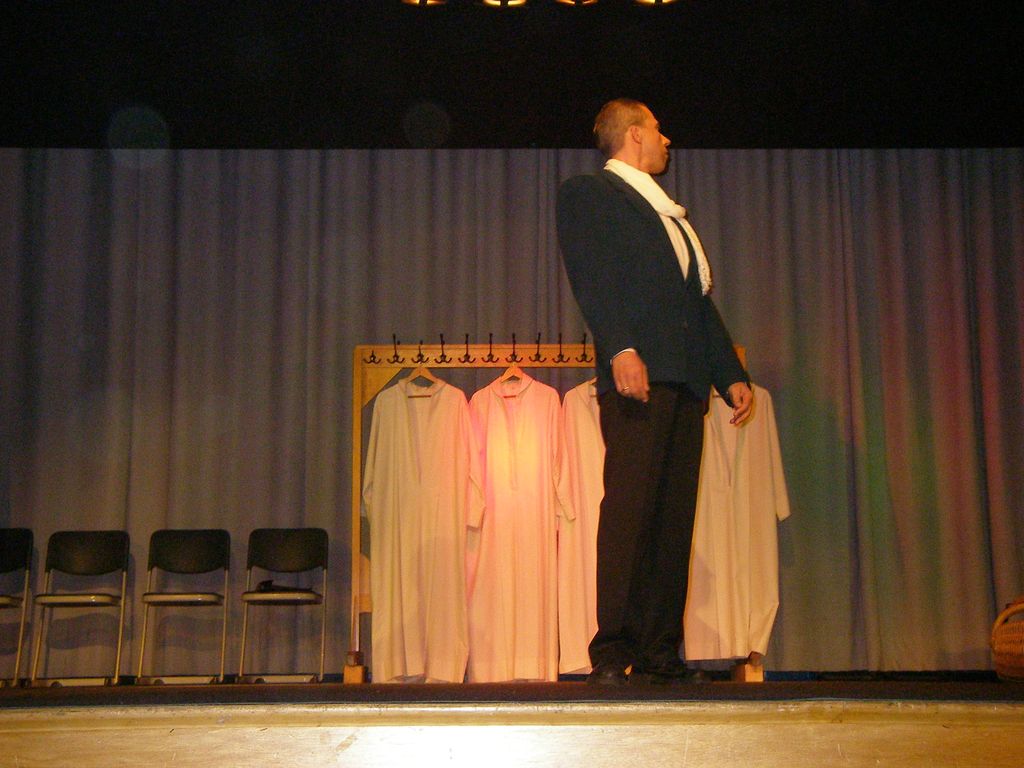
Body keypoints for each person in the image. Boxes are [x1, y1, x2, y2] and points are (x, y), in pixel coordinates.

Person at [556, 98, 753, 685]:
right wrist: (620, 348)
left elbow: (696, 304)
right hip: (640, 374)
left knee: (672, 519)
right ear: (635, 134)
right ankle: (612, 650)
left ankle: (660, 651)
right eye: (660, 131)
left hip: (685, 381)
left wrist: (728, 374)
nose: (669, 141)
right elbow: (592, 275)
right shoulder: (592, 193)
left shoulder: (670, 216)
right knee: (631, 511)